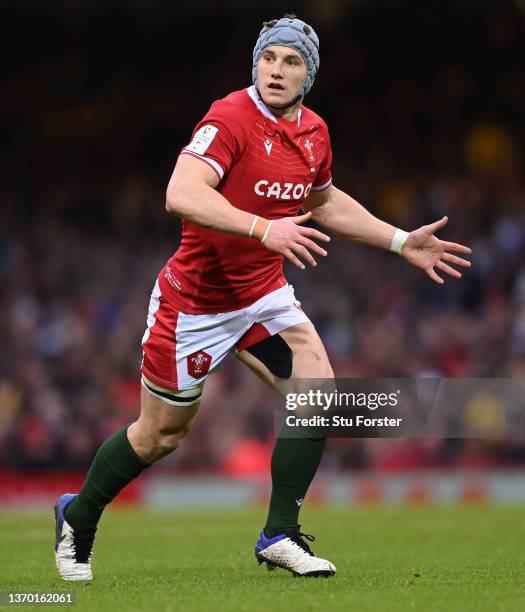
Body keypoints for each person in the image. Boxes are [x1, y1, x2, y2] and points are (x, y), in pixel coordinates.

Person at [54, 14, 471, 580]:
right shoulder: (230, 117)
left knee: (316, 393)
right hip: (194, 305)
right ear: (256, 63)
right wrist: (263, 228)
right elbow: (180, 192)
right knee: (160, 436)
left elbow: (323, 202)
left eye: (292, 61)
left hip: (261, 296)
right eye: (269, 57)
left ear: (309, 74)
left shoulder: (314, 132)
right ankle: (77, 516)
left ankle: (279, 533)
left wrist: (399, 241)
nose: (277, 70)